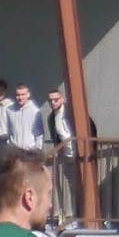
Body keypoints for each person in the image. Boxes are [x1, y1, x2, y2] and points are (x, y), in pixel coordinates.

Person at [40, 89, 77, 228]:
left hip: (77, 153)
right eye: (50, 100)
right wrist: (57, 150)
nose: (52, 103)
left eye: (55, 99)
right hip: (64, 155)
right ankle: (63, 215)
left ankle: (75, 215)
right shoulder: (51, 117)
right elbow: (56, 137)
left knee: (76, 186)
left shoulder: (70, 112)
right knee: (61, 186)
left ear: (62, 99)